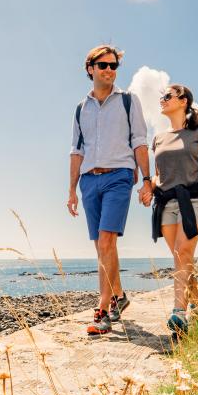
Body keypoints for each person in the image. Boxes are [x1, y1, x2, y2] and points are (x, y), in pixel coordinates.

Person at [67, 45, 152, 335]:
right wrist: (71, 190)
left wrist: (147, 179)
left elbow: (140, 139)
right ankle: (119, 295)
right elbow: (76, 151)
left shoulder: (128, 100)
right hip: (89, 179)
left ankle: (102, 311)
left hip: (119, 176)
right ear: (90, 68)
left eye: (114, 66)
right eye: (103, 65)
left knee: (106, 241)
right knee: (103, 246)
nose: (109, 71)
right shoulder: (81, 108)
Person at [146, 84, 198, 334]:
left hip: (193, 199)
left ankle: (179, 313)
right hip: (165, 202)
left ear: (183, 101)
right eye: (162, 97)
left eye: (167, 96)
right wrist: (147, 187)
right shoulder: (158, 138)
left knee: (182, 252)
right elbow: (159, 174)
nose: (163, 100)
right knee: (183, 258)